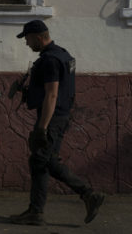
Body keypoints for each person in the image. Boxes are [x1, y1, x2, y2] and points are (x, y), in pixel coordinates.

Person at [10, 20, 105, 226]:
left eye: (27, 39)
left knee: (45, 162)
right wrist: (25, 90)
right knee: (40, 162)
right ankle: (35, 212)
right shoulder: (62, 54)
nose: (26, 43)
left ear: (38, 36)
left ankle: (88, 194)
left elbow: (52, 95)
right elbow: (53, 90)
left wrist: (42, 128)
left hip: (51, 119)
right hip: (59, 116)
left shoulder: (50, 60)